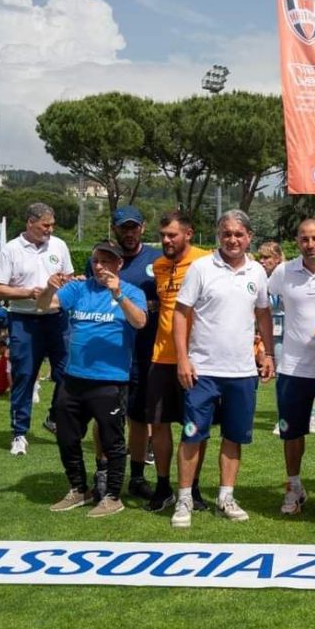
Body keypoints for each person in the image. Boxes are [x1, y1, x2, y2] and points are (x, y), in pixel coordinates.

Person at [170, 210, 274, 529]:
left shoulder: (257, 271)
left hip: (241, 372)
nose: (233, 240)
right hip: (202, 371)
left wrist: (268, 353)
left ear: (249, 237)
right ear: (219, 235)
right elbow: (179, 313)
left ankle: (226, 497)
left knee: (233, 438)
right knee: (192, 436)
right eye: (227, 233)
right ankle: (185, 498)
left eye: (239, 234)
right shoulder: (201, 268)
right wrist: (183, 359)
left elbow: (264, 314)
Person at [40, 241, 147, 517]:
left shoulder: (132, 292)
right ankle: (78, 489)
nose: (100, 266)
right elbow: (44, 305)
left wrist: (119, 294)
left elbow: (140, 322)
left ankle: (112, 496)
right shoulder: (78, 288)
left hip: (110, 380)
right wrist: (51, 286)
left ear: (119, 264)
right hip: (74, 379)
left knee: (112, 440)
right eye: (97, 260)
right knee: (66, 436)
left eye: (107, 261)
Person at [86, 206, 163, 501]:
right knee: (103, 417)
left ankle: (138, 476)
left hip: (145, 351)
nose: (128, 233)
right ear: (115, 229)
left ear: (143, 228)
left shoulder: (155, 259)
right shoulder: (102, 258)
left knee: (140, 418)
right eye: (123, 228)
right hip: (109, 351)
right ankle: (103, 472)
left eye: (133, 227)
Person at [267, 219, 315, 517]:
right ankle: (294, 487)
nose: (310, 244)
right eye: (304, 239)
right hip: (293, 368)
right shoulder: (283, 272)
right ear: (297, 241)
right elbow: (263, 304)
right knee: (291, 434)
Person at [0, 202, 73, 455]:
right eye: (45, 225)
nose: (50, 229)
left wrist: (65, 284)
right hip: (24, 319)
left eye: (52, 225)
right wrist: (28, 291)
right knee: (24, 376)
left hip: (57, 318)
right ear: (30, 222)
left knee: (67, 374)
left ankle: (54, 417)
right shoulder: (11, 250)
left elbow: (68, 277)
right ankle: (19, 433)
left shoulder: (59, 245)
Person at [144, 210, 211, 513]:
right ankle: (162, 486)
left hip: (196, 359)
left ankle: (193, 488)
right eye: (163, 236)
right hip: (161, 357)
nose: (166, 241)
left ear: (189, 233)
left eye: (172, 235)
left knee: (195, 426)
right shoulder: (158, 266)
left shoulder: (206, 261)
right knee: (158, 424)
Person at [257, 241, 285, 362]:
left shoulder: (288, 275)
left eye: (266, 257)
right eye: (260, 257)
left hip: (290, 330)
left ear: (277, 259)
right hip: (274, 330)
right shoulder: (262, 278)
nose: (262, 261)